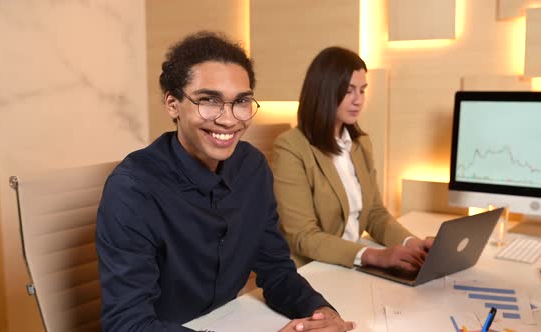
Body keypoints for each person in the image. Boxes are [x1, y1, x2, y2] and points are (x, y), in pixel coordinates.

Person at [95, 32, 355, 331]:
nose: (229, 119)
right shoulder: (132, 189)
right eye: (209, 100)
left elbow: (277, 270)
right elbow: (127, 325)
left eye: (241, 101)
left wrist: (322, 315)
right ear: (172, 104)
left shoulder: (253, 167)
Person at [272, 46, 433, 271]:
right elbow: (303, 236)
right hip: (312, 269)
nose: (358, 100)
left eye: (363, 90)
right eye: (349, 91)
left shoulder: (360, 145)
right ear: (324, 91)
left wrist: (414, 244)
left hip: (353, 263)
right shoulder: (290, 147)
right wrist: (374, 256)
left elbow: (376, 215)